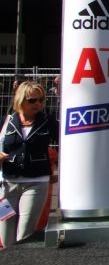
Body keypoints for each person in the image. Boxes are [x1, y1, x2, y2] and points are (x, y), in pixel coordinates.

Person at [0, 81, 58, 247]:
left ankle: (23, 262)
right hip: (6, 184)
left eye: (41, 100)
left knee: (25, 234)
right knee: (6, 237)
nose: (37, 104)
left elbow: (66, 143)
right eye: (32, 100)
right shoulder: (6, 121)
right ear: (21, 100)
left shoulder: (48, 121)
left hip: (36, 182)